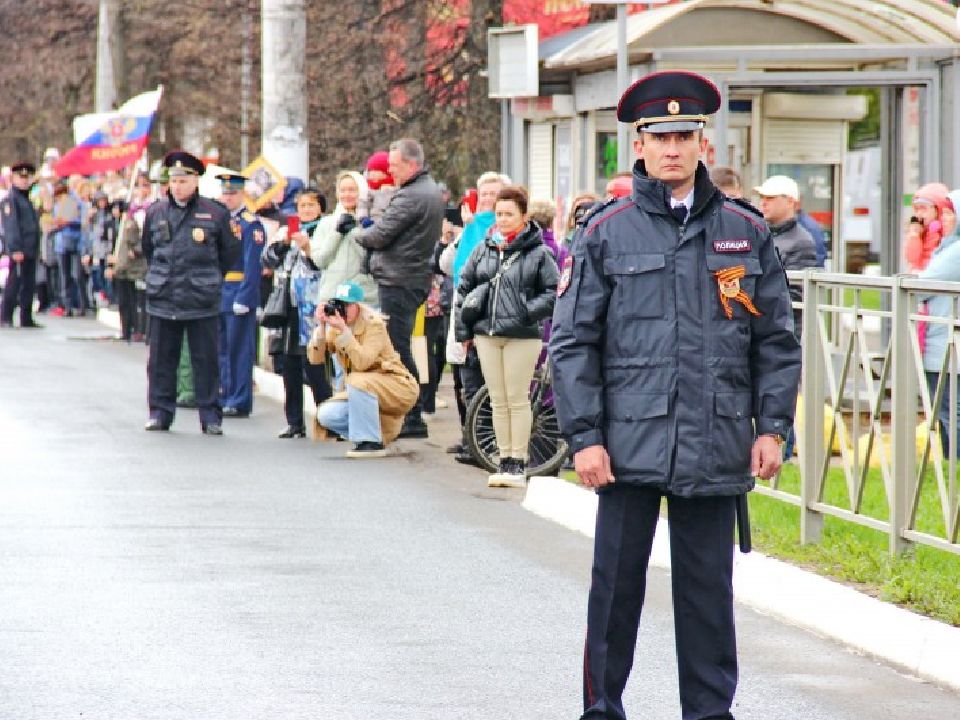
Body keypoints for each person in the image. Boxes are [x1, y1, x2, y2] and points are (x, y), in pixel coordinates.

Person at [550, 70, 801, 720]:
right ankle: (601, 709)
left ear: (702, 144)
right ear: (639, 144)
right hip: (626, 443)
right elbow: (573, 342)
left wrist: (772, 426)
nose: (671, 148)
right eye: (659, 137)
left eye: (683, 135)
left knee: (707, 599)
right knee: (615, 594)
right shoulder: (607, 232)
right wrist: (585, 437)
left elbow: (775, 338)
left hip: (714, 442)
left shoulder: (745, 231)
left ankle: (710, 713)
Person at [456, 185, 559, 487]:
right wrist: (465, 330)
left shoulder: (539, 253)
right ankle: (503, 460)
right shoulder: (483, 249)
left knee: (516, 398)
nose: (501, 220)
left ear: (524, 216)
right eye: (498, 214)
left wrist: (526, 312)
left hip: (522, 335)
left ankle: (519, 460)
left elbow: (553, 292)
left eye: (508, 214)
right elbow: (464, 289)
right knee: (498, 400)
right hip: (487, 333)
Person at [140, 150, 240, 435]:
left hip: (200, 297)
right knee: (161, 361)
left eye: (184, 180)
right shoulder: (155, 212)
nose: (179, 185)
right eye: (174, 180)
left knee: (206, 361)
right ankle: (160, 412)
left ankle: (210, 416)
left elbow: (229, 253)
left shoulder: (215, 212)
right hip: (164, 296)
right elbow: (150, 250)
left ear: (196, 181)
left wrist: (208, 278)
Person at [354, 137, 445, 439]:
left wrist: (356, 231)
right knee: (400, 346)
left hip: (400, 278)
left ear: (411, 164)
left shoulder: (411, 196)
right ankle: (410, 411)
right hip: (409, 276)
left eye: (394, 166)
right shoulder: (425, 190)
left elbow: (380, 235)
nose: (391, 171)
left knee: (397, 349)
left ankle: (413, 414)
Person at [310, 282, 420, 457]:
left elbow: (362, 362)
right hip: (365, 389)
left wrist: (344, 331)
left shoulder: (374, 324)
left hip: (396, 386)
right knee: (326, 415)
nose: (342, 310)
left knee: (355, 379)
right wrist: (321, 328)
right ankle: (372, 435)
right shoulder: (336, 328)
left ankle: (371, 442)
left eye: (347, 305)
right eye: (340, 304)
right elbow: (315, 359)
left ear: (358, 305)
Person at [261, 186, 332, 438]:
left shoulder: (326, 230)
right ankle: (294, 422)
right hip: (287, 306)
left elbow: (321, 262)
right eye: (302, 206)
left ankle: (328, 419)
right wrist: (284, 244)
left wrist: (306, 245)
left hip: (312, 308)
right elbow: (267, 260)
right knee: (288, 365)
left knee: (313, 364)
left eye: (311, 205)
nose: (306, 210)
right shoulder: (286, 230)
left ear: (321, 208)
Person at [217, 173, 266, 418]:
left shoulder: (249, 224)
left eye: (232, 193)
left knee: (239, 350)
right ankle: (224, 393)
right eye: (225, 193)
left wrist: (245, 297)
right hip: (219, 292)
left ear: (242, 194)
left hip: (238, 292)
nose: (228, 198)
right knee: (222, 348)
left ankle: (239, 398)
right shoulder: (220, 221)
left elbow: (252, 264)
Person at [918, 188, 960, 457]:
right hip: (941, 340)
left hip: (946, 344)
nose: (944, 219)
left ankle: (952, 467)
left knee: (949, 411)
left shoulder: (955, 251)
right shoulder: (947, 247)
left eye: (950, 213)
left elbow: (921, 287)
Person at [310, 170, 378, 307]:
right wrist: (337, 233)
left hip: (363, 298)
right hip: (332, 296)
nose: (347, 195)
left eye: (352, 190)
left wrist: (355, 232)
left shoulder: (372, 222)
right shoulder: (326, 223)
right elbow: (319, 260)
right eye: (343, 190)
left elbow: (371, 260)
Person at [0, 162, 42, 329]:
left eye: (27, 177)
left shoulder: (26, 198)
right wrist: (16, 248)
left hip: (30, 249)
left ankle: (26, 316)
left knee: (28, 284)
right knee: (14, 283)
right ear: (14, 178)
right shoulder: (11, 199)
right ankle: (5, 315)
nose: (24, 181)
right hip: (20, 249)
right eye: (21, 177)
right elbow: (11, 226)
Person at [110, 200, 148, 343]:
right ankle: (125, 330)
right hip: (120, 267)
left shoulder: (131, 225)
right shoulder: (116, 226)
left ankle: (135, 329)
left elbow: (140, 243)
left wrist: (135, 251)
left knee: (133, 302)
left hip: (131, 269)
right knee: (123, 302)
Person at [904, 182, 950, 272]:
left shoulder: (946, 230)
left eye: (923, 208)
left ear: (938, 208)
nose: (919, 213)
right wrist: (914, 235)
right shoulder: (921, 231)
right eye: (917, 209)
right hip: (919, 274)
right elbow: (912, 258)